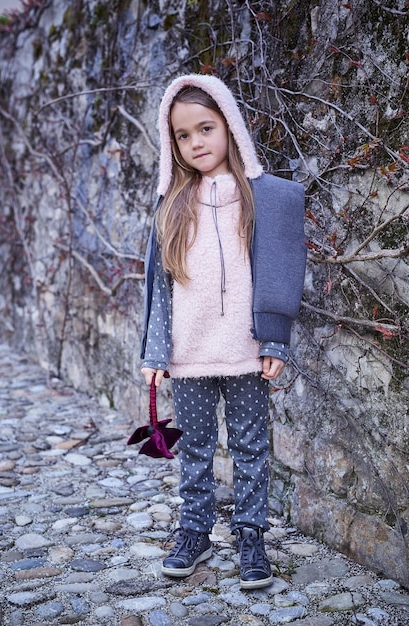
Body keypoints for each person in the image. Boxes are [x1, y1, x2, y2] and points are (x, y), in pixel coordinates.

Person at [140, 74, 306, 590]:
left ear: (230, 126)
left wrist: (275, 338)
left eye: (205, 128)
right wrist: (156, 350)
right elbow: (159, 288)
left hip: (246, 351)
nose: (196, 144)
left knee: (252, 446)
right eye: (183, 137)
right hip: (189, 355)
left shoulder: (263, 200)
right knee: (194, 448)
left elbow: (279, 269)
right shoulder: (172, 207)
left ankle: (251, 535)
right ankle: (194, 531)